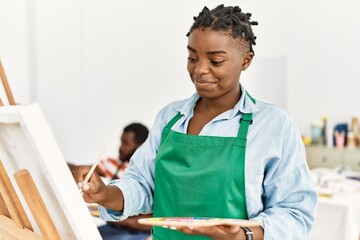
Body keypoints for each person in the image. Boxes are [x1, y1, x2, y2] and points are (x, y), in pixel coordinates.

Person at [73, 4, 317, 240]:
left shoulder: (273, 125)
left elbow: (295, 213)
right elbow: (142, 185)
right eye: (192, 57)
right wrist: (104, 193)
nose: (200, 70)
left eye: (216, 61)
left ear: (246, 61)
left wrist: (243, 236)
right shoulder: (170, 118)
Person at [71, 123, 152, 240]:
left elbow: (150, 221)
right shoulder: (114, 164)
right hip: (113, 227)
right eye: (121, 142)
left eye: (126, 143)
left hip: (136, 231)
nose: (120, 147)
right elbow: (87, 170)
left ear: (140, 146)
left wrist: (120, 219)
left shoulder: (148, 171)